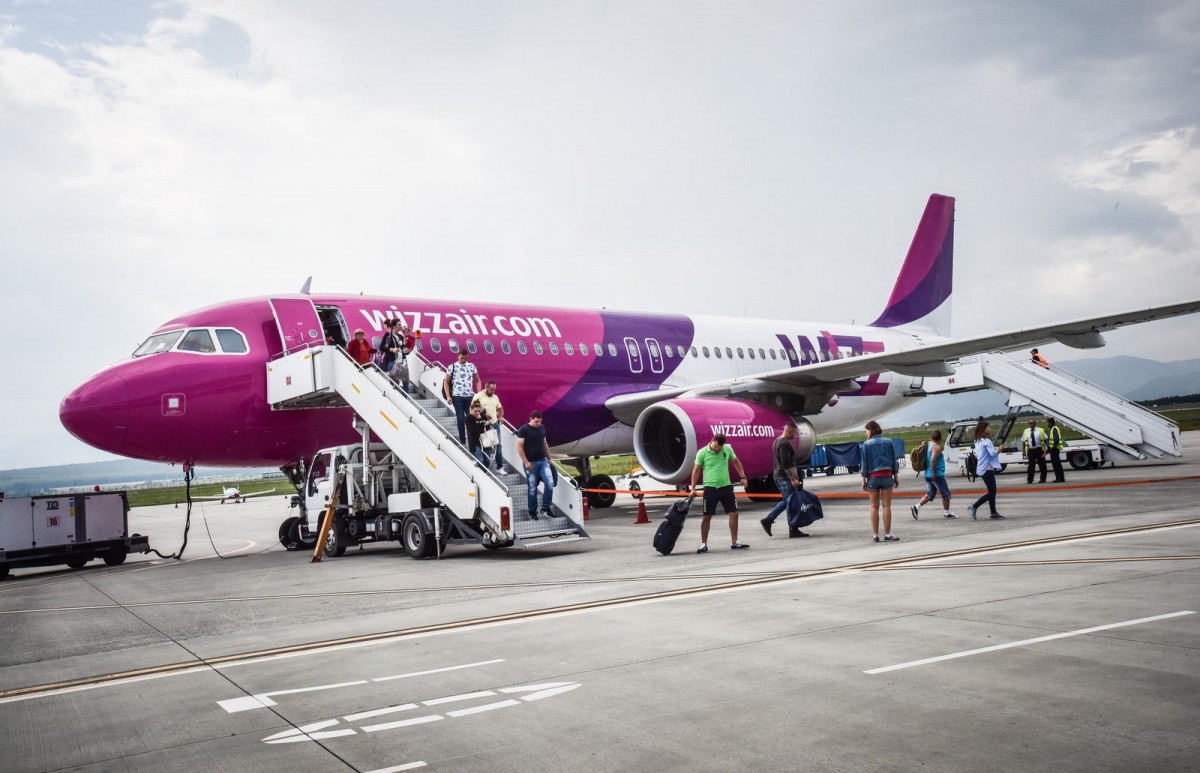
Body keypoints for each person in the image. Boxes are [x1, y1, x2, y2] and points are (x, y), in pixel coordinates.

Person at [689, 432, 750, 553]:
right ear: (712, 441)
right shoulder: (702, 452)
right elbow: (696, 471)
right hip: (710, 488)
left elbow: (736, 462)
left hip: (726, 487)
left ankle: (734, 542)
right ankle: (703, 544)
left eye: (720, 447)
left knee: (734, 514)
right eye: (716, 446)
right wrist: (693, 488)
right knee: (707, 516)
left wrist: (743, 477)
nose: (717, 449)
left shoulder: (727, 449)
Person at [760, 422, 806, 537]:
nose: (794, 435)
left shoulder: (777, 440)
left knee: (787, 501)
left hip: (778, 475)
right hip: (784, 477)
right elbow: (785, 462)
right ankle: (792, 528)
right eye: (794, 432)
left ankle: (769, 520)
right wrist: (792, 478)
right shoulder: (785, 443)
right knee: (791, 503)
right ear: (790, 431)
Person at [861, 420, 900, 542]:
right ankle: (887, 534)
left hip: (873, 477)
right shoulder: (889, 442)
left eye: (867, 430)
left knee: (874, 506)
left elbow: (865, 463)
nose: (866, 433)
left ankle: (875, 535)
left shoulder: (866, 444)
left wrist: (863, 479)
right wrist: (895, 476)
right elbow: (894, 460)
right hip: (887, 476)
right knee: (886, 506)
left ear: (871, 430)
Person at [910, 429, 956, 520]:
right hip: (936, 475)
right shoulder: (936, 447)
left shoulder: (928, 444)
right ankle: (947, 513)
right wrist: (935, 473)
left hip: (928, 474)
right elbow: (933, 460)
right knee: (946, 494)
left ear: (932, 437)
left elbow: (925, 442)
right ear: (940, 438)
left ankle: (917, 507)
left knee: (930, 494)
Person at [516, 411, 554, 518]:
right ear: (531, 419)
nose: (538, 423)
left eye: (540, 421)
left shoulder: (542, 428)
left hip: (542, 461)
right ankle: (532, 512)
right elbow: (519, 447)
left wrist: (549, 458)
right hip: (531, 463)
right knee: (532, 488)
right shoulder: (524, 429)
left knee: (549, 483)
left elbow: (544, 443)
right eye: (536, 421)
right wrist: (526, 462)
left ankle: (546, 508)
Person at [967, 419, 1005, 520]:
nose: (990, 428)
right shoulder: (987, 441)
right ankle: (974, 507)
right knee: (992, 492)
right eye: (988, 427)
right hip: (987, 469)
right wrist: (1000, 449)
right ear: (984, 430)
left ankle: (993, 512)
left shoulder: (978, 440)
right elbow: (993, 453)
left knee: (991, 491)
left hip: (982, 469)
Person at [443, 350, 482, 444]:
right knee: (460, 418)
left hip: (469, 396)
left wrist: (479, 394)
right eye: (462, 358)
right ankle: (462, 440)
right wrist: (448, 396)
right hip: (457, 396)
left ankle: (472, 440)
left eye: (465, 358)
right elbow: (446, 382)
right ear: (458, 356)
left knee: (471, 418)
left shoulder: (471, 366)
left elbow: (477, 380)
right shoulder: (452, 366)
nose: (464, 360)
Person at [473, 380, 506, 471]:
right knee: (485, 445)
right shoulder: (478, 396)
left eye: (494, 390)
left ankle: (500, 467)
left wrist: (501, 417)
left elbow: (500, 408)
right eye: (491, 389)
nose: (493, 391)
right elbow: (472, 410)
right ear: (486, 387)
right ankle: (482, 463)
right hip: (484, 425)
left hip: (495, 424)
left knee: (498, 445)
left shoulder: (495, 397)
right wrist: (480, 418)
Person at [465, 401, 494, 468]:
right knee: (480, 461)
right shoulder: (469, 418)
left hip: (485, 441)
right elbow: (472, 430)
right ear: (471, 409)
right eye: (475, 411)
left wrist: (488, 425)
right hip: (475, 442)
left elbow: (488, 427)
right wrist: (482, 424)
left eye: (479, 411)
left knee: (487, 461)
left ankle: (484, 473)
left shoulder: (483, 416)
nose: (477, 413)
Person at [1022, 418, 1048, 484]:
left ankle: (1043, 479)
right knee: (1031, 466)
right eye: (1031, 423)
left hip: (1039, 450)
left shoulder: (1040, 430)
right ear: (1029, 424)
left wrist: (1047, 450)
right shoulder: (1026, 431)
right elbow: (1024, 441)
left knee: (1042, 465)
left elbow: (1045, 440)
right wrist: (1024, 451)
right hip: (1031, 450)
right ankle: (1030, 479)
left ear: (1035, 423)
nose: (1032, 424)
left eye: (1033, 423)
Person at [1046, 416, 1067, 483]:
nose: (1047, 424)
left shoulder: (1054, 429)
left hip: (1055, 449)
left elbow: (1056, 439)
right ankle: (1060, 478)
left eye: (1048, 423)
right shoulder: (1053, 429)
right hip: (1054, 449)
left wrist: (1052, 447)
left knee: (1056, 464)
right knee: (1057, 464)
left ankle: (1059, 478)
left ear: (1051, 423)